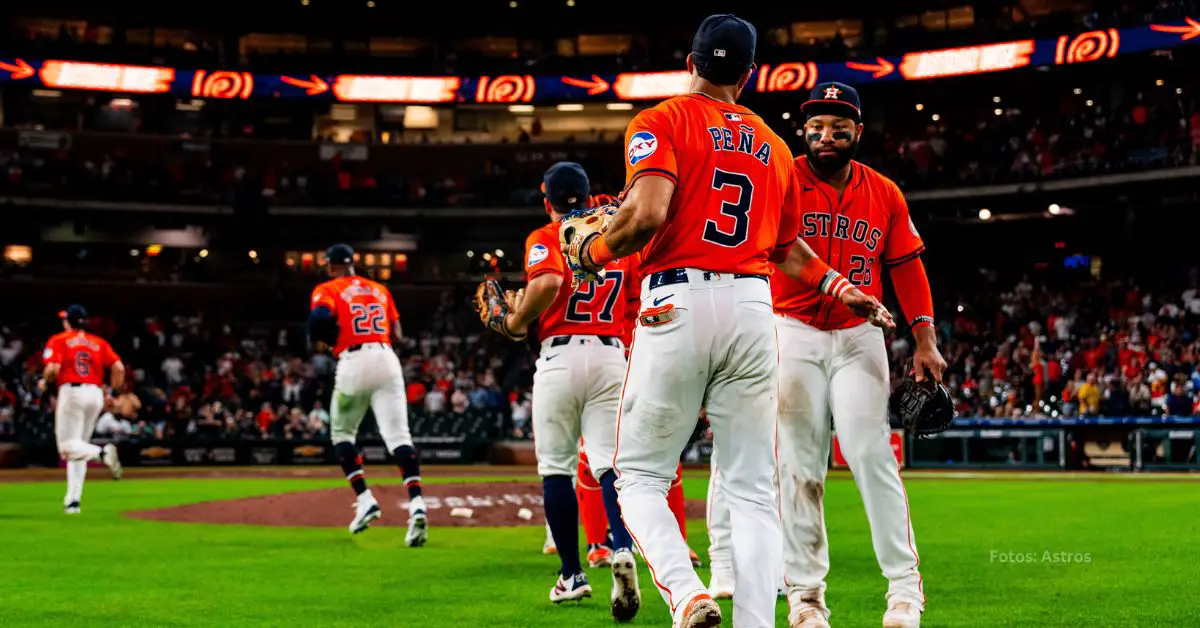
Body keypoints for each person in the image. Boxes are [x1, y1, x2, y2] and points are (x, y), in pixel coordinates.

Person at [559, 17, 889, 628]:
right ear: (749, 72)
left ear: (690, 61)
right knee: (754, 491)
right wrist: (840, 285)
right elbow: (790, 248)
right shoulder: (774, 144)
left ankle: (686, 594)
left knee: (637, 476)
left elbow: (647, 214)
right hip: (754, 308)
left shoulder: (661, 120)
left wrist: (591, 252)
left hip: (676, 301)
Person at [768, 82, 943, 628]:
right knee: (799, 466)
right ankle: (806, 597)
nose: (826, 135)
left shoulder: (885, 192)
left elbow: (907, 267)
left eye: (839, 127)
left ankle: (904, 590)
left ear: (857, 133)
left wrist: (925, 338)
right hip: (792, 328)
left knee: (871, 455)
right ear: (804, 131)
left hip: (859, 332)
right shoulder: (783, 180)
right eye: (816, 126)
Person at [489, 162, 644, 616]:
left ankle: (572, 575)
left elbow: (550, 281)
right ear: (587, 194)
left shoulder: (546, 235)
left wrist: (517, 322)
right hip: (612, 351)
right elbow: (635, 307)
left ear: (547, 200)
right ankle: (621, 547)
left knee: (555, 467)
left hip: (560, 353)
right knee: (608, 465)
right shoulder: (617, 240)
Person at [309, 243, 428, 546]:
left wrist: (327, 339)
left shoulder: (328, 288)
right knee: (399, 437)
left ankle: (365, 499)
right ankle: (417, 504)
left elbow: (319, 319)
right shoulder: (380, 289)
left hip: (353, 360)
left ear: (330, 266)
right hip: (386, 358)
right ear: (354, 263)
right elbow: (399, 333)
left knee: (342, 434)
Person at [39, 305, 125, 513]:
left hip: (72, 392)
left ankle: (103, 452)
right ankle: (73, 501)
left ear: (69, 321)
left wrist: (45, 382)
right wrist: (112, 393)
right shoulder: (98, 342)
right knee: (79, 447)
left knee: (67, 448)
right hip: (95, 393)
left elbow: (53, 369)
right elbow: (119, 368)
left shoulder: (59, 340)